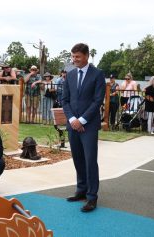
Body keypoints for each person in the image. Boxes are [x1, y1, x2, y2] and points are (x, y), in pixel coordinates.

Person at [62, 43, 106, 212]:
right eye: (72, 57)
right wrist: (73, 119)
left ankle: (92, 197)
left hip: (89, 126)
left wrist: (82, 120)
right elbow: (65, 100)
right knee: (78, 159)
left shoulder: (98, 75)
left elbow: (97, 101)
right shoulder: (70, 75)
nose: (74, 60)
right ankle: (81, 190)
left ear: (86, 56)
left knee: (90, 161)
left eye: (77, 57)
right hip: (73, 125)